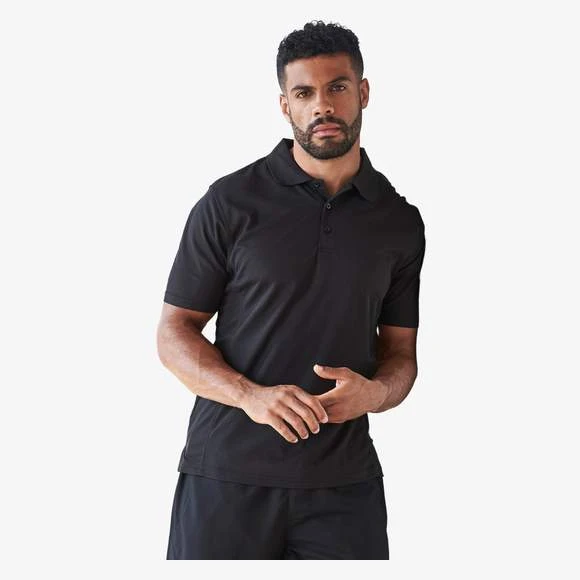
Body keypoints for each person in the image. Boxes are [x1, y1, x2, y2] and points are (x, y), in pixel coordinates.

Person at [157, 19, 426, 560]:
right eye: (304, 93)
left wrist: (375, 394)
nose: (322, 105)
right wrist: (250, 396)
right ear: (285, 106)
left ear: (363, 92)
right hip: (226, 479)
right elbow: (173, 332)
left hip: (344, 487)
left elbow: (401, 355)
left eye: (337, 87)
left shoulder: (399, 222)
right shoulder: (230, 202)